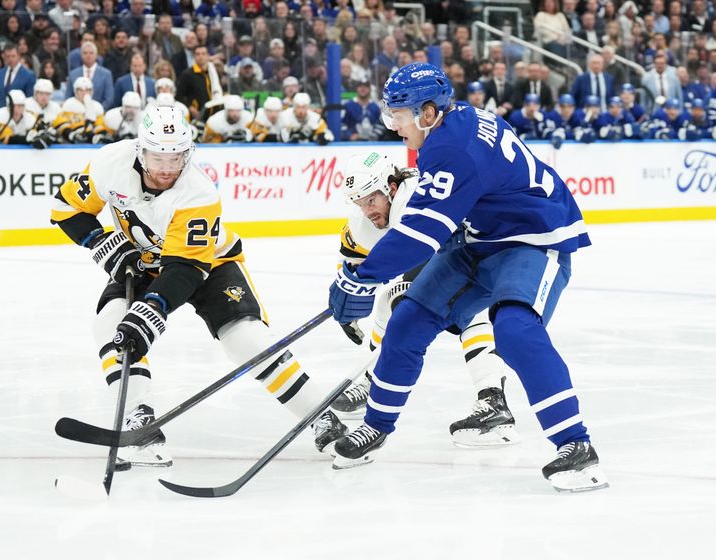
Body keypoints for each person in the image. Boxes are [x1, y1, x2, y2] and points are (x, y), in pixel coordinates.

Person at [327, 63, 608, 493]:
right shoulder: (451, 128)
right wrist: (364, 277)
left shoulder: (451, 148)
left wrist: (359, 278)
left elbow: (420, 234)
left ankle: (576, 446)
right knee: (407, 321)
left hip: (533, 239)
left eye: (397, 117)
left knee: (514, 330)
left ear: (426, 114)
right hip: (480, 239)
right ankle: (376, 426)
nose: (393, 126)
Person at [49, 105, 347, 466]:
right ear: (140, 150)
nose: (165, 168)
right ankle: (138, 417)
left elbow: (186, 268)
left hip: (208, 263)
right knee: (110, 326)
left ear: (188, 155)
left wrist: (152, 309)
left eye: (175, 159)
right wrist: (102, 242)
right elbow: (66, 208)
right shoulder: (110, 163)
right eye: (157, 157)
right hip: (144, 260)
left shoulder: (199, 193)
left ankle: (319, 414)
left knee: (246, 339)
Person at [330, 151, 521, 448]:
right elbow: (352, 261)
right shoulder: (362, 222)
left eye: (371, 200)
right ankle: (372, 380)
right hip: (452, 258)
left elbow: (425, 257)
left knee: (473, 313)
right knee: (389, 301)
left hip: (484, 252)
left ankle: (493, 402)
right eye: (360, 202)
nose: (367, 210)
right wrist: (348, 301)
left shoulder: (418, 197)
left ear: (391, 188)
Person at [52, 76, 105, 143]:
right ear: (75, 91)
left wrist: (103, 135)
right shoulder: (69, 104)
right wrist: (72, 135)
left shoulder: (97, 106)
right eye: (81, 90)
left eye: (87, 90)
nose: (84, 93)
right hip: (71, 143)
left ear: (92, 91)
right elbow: (63, 126)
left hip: (92, 143)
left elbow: (99, 126)